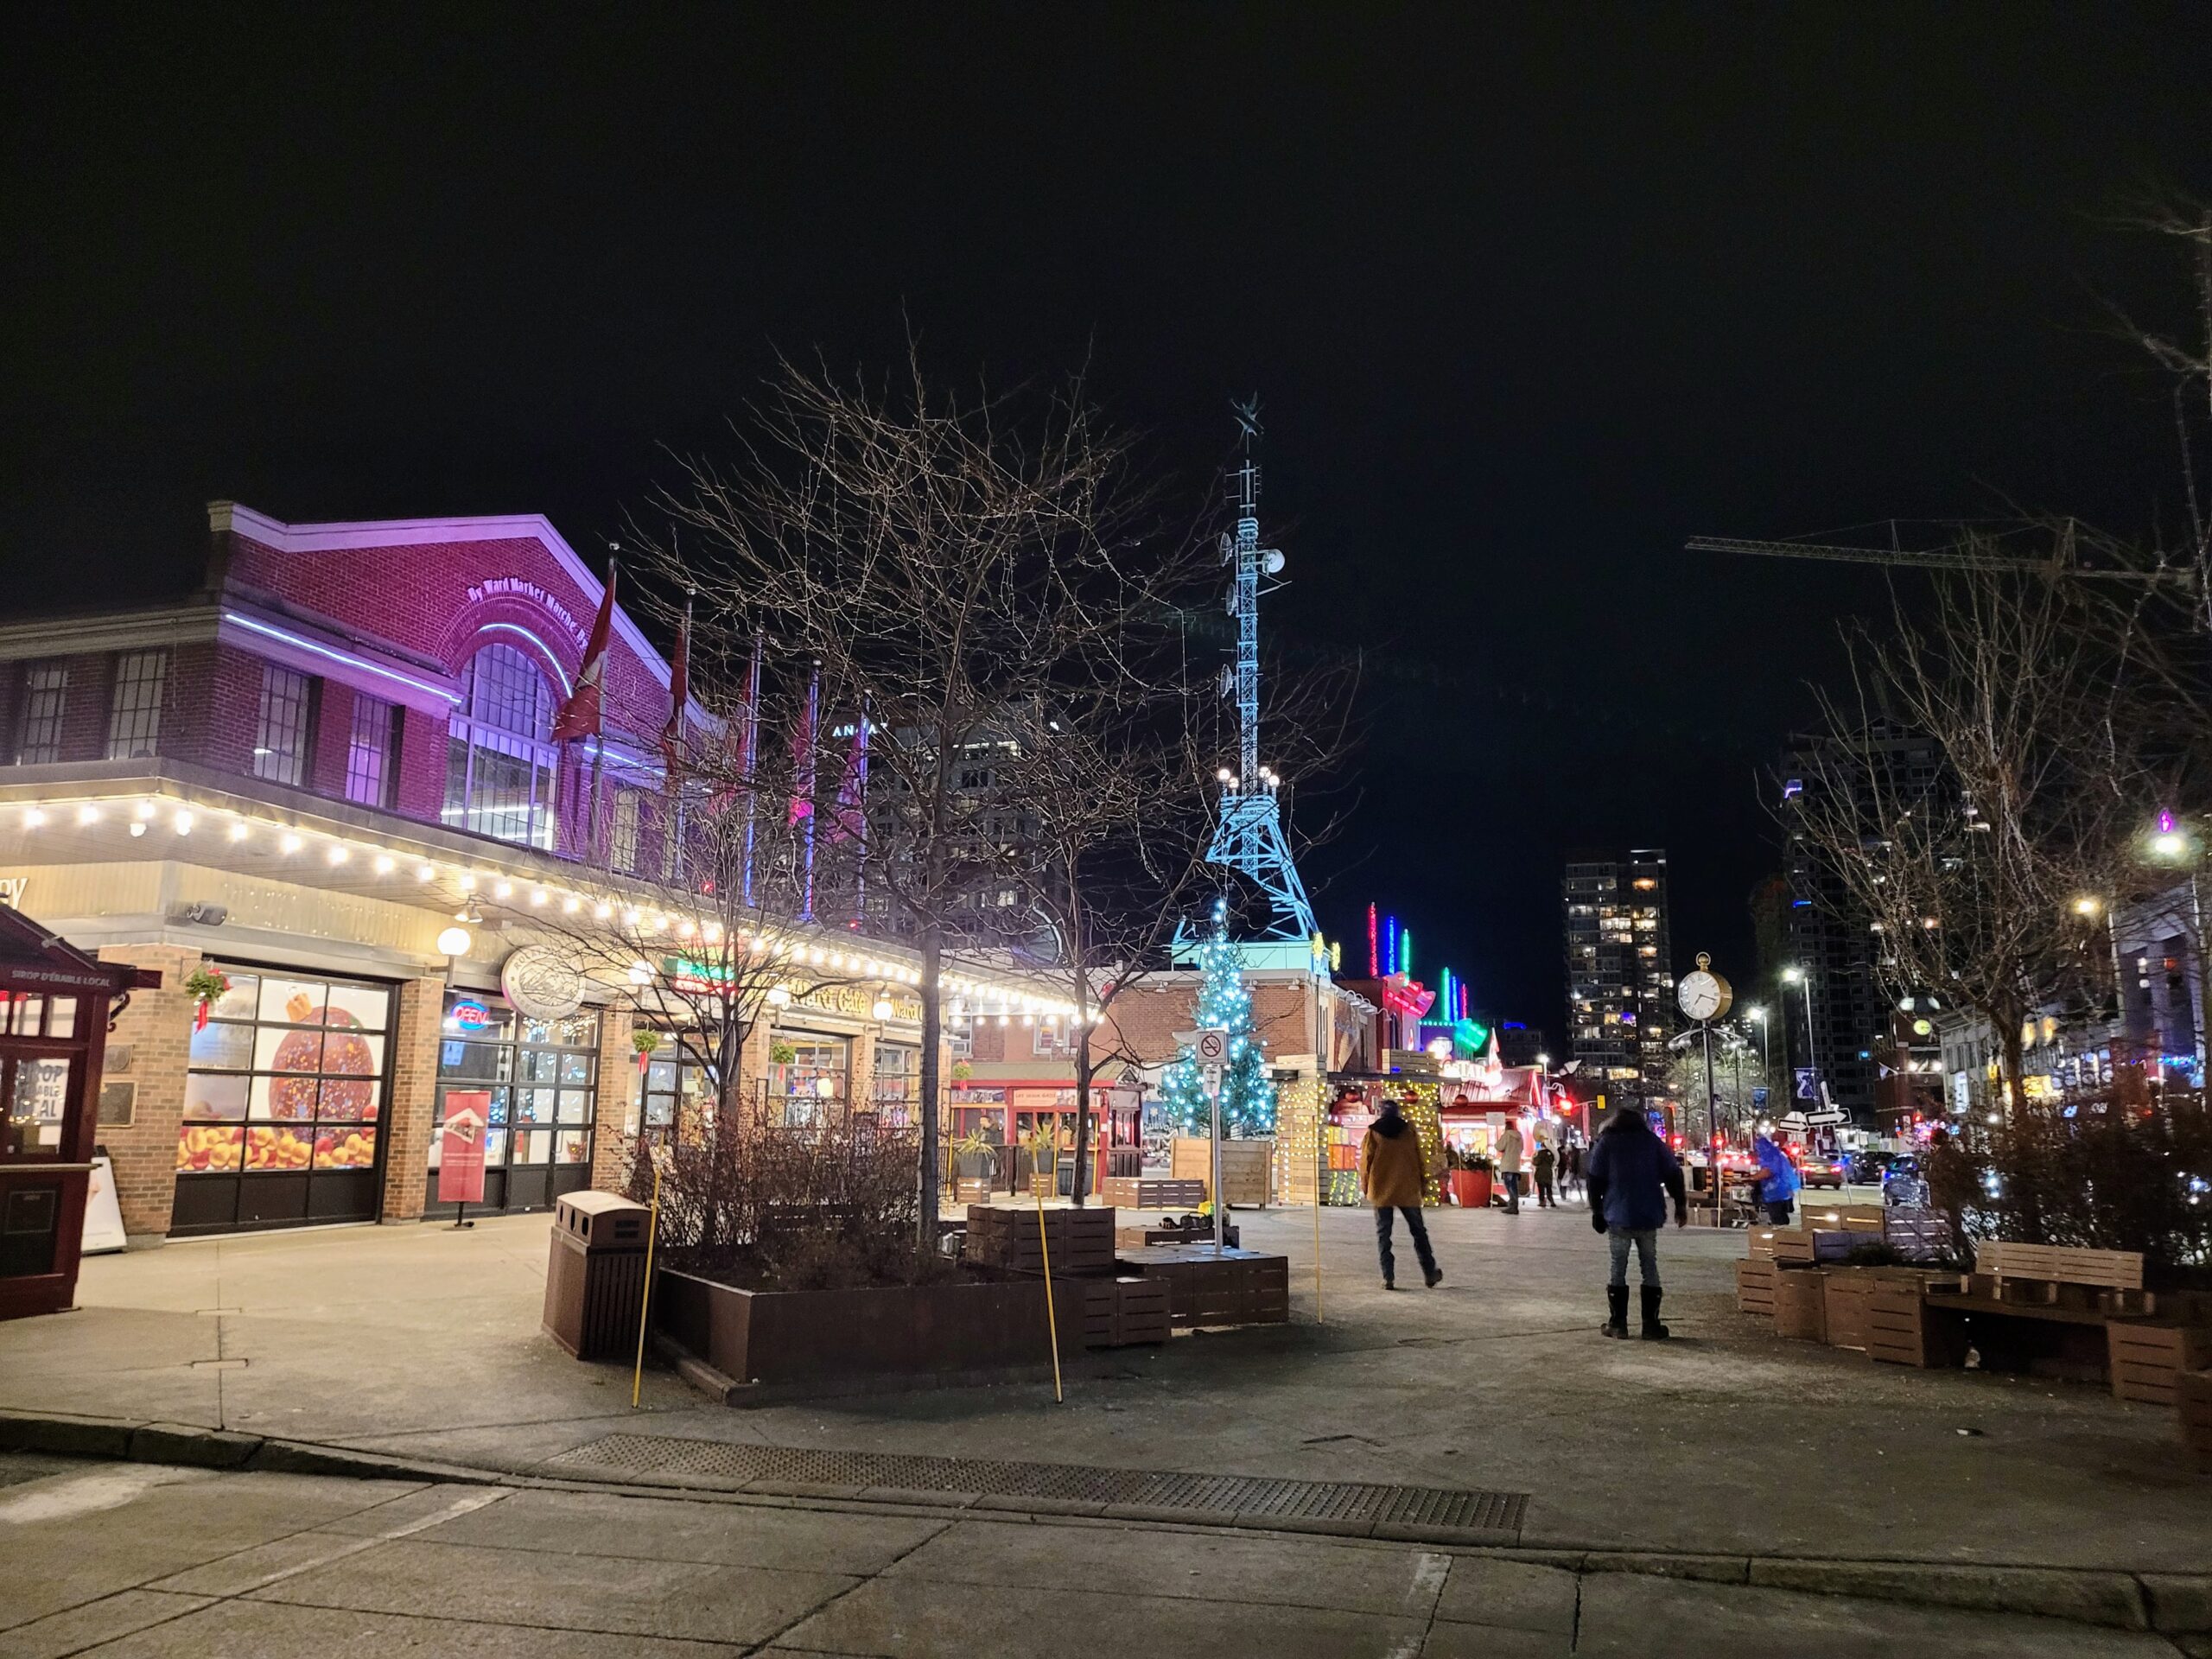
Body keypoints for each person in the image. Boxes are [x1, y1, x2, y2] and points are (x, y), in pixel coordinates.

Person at [1586, 1101, 1688, 1339]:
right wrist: (1680, 1205)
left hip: (1617, 1213)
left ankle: (1618, 1323)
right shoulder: (1652, 1142)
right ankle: (1651, 1324)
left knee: (1618, 1265)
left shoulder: (1607, 1143)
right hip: (1648, 1213)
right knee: (1649, 1265)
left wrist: (1597, 1211)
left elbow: (1594, 1178)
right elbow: (1673, 1173)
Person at [1361, 1096, 1441, 1290]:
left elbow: (1365, 1163)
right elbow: (1420, 1158)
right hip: (1408, 1188)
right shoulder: (1408, 1131)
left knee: (1384, 1234)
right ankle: (1429, 1272)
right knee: (1418, 1231)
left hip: (1381, 1190)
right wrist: (1423, 1184)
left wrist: (1366, 1187)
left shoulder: (1373, 1133)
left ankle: (1388, 1277)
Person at [1751, 1132, 1801, 1226]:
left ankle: (1779, 1232)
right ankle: (1783, 1230)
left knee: (1777, 1217)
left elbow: (1767, 1172)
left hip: (1775, 1192)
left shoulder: (1768, 1156)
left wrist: (1752, 1178)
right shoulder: (1777, 1154)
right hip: (1784, 1191)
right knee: (1782, 1216)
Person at [1495, 1119, 1524, 1214]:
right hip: (1516, 1165)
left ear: (1506, 1127)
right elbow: (1521, 1149)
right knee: (1514, 1186)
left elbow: (1499, 1146)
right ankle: (1514, 1204)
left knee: (1509, 1186)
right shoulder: (1520, 1137)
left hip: (1507, 1164)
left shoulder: (1507, 1135)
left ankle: (1513, 1206)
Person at [1532, 1139, 1558, 1209]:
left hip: (1541, 1173)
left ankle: (1542, 1202)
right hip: (1548, 1172)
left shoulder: (1540, 1153)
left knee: (1541, 1189)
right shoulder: (1551, 1153)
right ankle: (1551, 1201)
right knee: (1549, 1188)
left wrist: (1534, 1157)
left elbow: (1536, 1162)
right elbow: (1553, 1162)